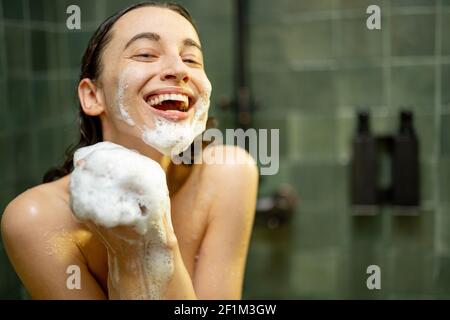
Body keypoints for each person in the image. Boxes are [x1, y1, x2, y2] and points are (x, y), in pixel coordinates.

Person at [1, 2, 258, 300]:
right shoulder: (35, 219)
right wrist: (131, 255)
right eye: (146, 54)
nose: (179, 70)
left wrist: (153, 240)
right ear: (93, 96)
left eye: (191, 59)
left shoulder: (228, 173)